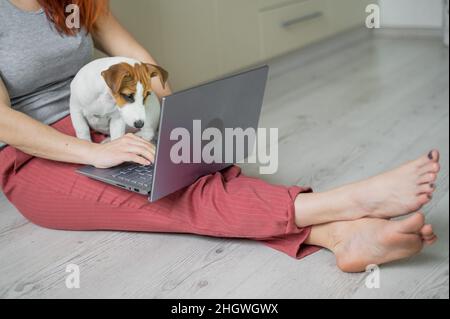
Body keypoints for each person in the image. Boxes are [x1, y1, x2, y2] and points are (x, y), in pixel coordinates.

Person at [0, 0, 440, 273]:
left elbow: (136, 59)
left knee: (192, 170)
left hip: (107, 120)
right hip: (32, 154)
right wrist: (95, 155)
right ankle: (345, 203)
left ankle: (339, 237)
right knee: (165, 195)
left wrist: (175, 118)